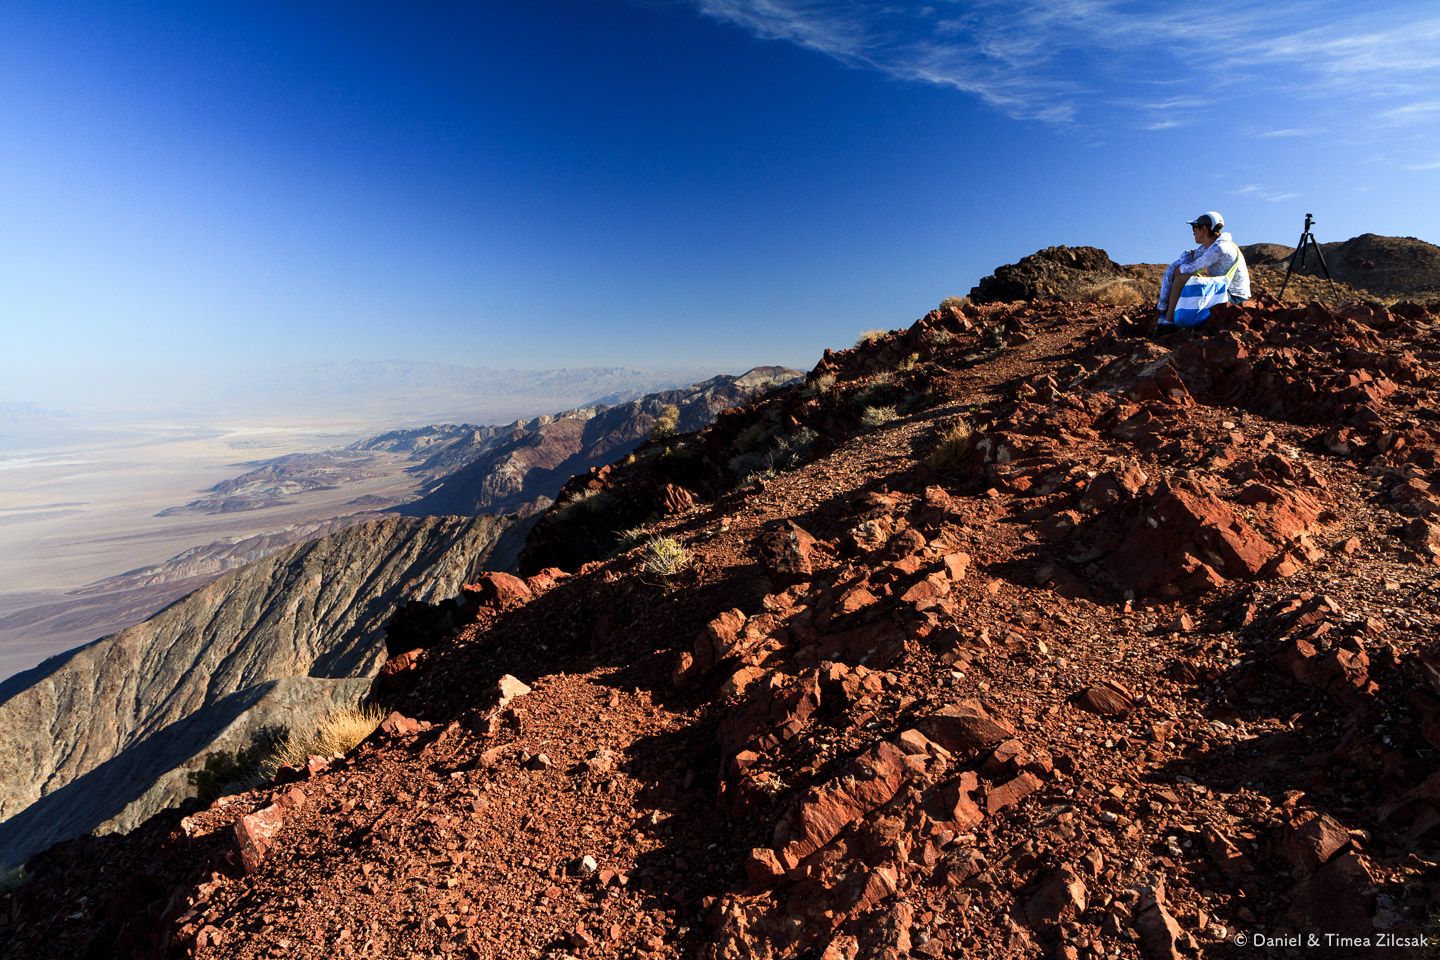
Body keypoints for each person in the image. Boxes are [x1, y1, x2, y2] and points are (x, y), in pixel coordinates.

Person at [1147, 211, 1251, 335]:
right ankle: (1169, 316)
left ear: (1204, 229)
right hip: (1222, 290)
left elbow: (1192, 268)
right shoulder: (1210, 247)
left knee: (1181, 278)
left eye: (1195, 227)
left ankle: (1168, 323)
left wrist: (1177, 270)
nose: (1193, 232)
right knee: (1186, 276)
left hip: (1234, 297)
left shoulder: (1221, 248)